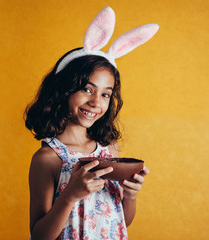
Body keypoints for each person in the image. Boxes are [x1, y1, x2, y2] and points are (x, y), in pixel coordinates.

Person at [25, 6, 158, 240]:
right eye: (87, 89)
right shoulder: (48, 159)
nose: (96, 102)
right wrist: (70, 196)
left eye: (106, 94)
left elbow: (119, 221)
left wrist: (130, 196)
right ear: (64, 90)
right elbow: (39, 236)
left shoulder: (110, 150)